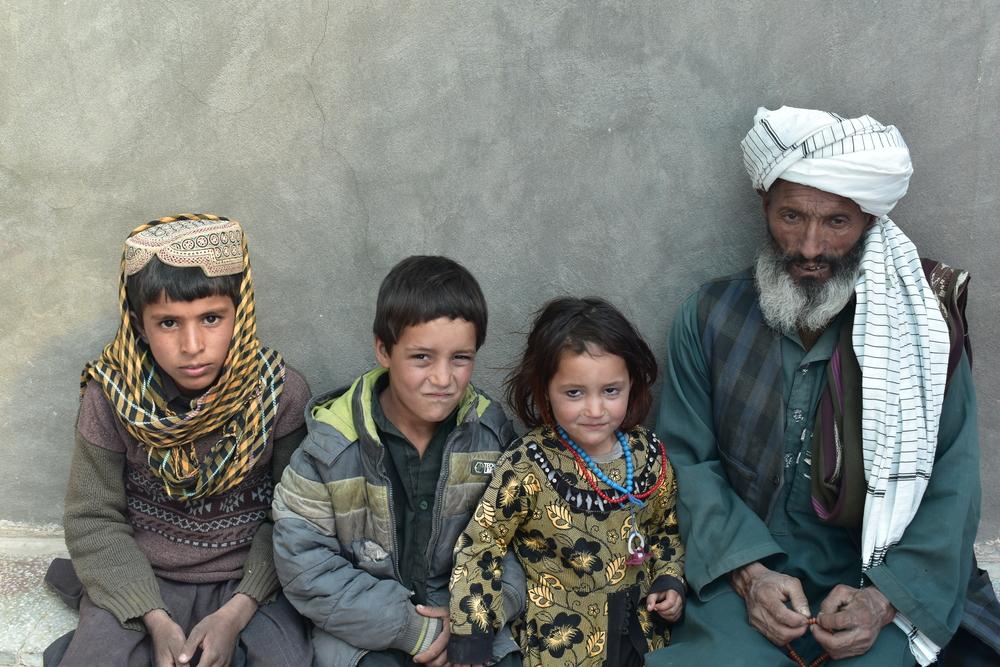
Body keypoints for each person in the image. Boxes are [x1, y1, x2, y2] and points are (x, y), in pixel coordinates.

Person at [646, 107, 1000, 666]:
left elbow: (952, 485)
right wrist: (750, 576)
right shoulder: (709, 316)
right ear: (765, 207)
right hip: (745, 570)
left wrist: (882, 601)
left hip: (875, 575)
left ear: (868, 221)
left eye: (836, 222)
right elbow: (684, 462)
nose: (809, 248)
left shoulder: (921, 331)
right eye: (791, 217)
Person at [44, 214, 313, 666]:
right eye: (168, 323)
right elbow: (93, 518)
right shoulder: (111, 396)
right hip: (143, 576)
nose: (192, 345)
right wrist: (152, 615)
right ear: (139, 324)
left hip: (252, 580)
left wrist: (236, 612)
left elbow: (296, 519)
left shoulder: (279, 393)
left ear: (240, 314)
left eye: (211, 318)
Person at [271, 255, 524, 667]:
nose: (443, 379)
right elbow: (304, 564)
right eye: (422, 358)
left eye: (460, 358)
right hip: (364, 628)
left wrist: (474, 619)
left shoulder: (490, 437)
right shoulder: (331, 447)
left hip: (469, 618)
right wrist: (413, 630)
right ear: (384, 350)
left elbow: (515, 541)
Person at [448, 296, 685, 667]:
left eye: (611, 391)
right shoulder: (528, 465)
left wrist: (669, 582)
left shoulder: (647, 455)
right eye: (574, 393)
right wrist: (472, 636)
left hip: (641, 638)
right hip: (559, 646)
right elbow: (482, 544)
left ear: (631, 384)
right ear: (545, 390)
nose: (595, 410)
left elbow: (664, 529)